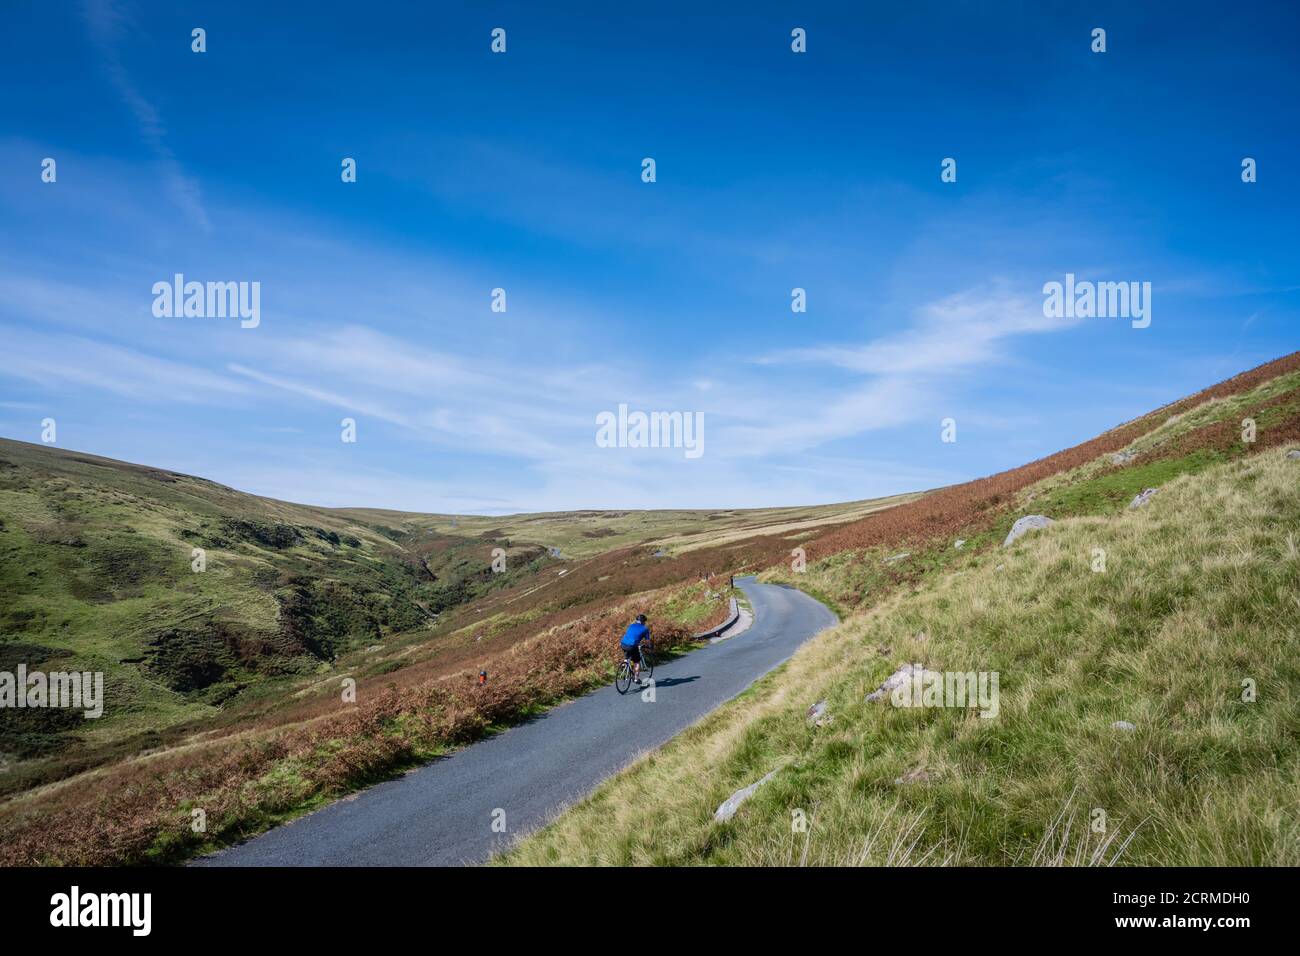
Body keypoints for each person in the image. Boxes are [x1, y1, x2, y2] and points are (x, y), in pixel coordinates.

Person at [619, 614, 651, 686]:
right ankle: (636, 679)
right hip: (632, 646)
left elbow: (631, 635)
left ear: (637, 620)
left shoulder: (631, 625)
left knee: (628, 655)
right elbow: (647, 641)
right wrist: (648, 647)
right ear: (643, 621)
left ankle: (625, 664)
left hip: (623, 643)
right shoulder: (645, 629)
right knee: (637, 662)